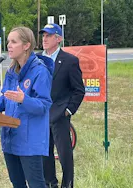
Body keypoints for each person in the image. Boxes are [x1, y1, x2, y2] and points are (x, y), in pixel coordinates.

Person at [0, 26, 54, 188]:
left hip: (30, 142)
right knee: (17, 183)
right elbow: (5, 101)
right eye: (8, 41)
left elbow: (44, 106)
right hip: (10, 138)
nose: (9, 45)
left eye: (14, 41)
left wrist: (24, 99)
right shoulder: (11, 71)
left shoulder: (40, 72)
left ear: (26, 45)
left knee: (36, 184)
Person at [39, 24, 85, 188]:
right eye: (43, 35)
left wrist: (68, 110)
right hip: (40, 114)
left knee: (64, 153)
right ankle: (50, 183)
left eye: (49, 35)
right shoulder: (36, 60)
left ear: (58, 39)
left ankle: (68, 184)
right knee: (44, 152)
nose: (44, 38)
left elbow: (79, 90)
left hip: (60, 115)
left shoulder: (69, 61)